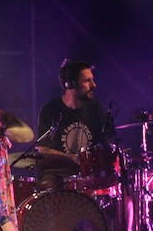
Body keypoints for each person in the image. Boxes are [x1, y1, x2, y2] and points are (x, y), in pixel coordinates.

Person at [35, 58, 118, 190]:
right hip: (58, 175)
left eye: (92, 79)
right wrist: (71, 158)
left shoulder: (96, 108)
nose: (94, 85)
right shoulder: (50, 110)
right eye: (87, 81)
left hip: (89, 174)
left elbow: (108, 141)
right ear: (70, 84)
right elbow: (43, 150)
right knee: (47, 183)